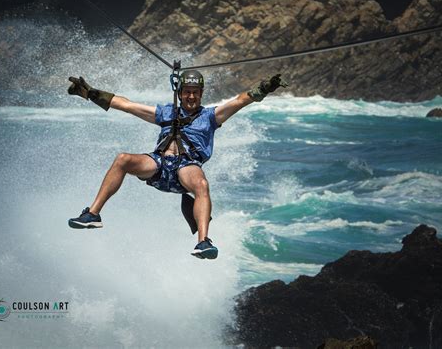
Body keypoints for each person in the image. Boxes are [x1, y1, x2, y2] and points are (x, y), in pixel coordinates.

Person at [67, 70, 287, 259]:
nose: (191, 97)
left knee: (201, 184)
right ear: (180, 93)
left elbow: (240, 100)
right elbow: (127, 105)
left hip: (187, 167)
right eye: (187, 92)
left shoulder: (210, 116)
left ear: (201, 95)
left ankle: (204, 242)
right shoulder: (166, 112)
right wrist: (90, 93)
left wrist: (264, 88)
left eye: (195, 93)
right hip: (158, 164)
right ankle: (93, 214)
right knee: (123, 159)